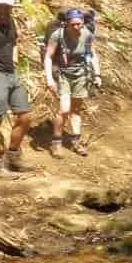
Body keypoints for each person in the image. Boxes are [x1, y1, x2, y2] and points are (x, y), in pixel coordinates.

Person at [0, 0, 34, 173]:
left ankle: (13, 155)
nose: (4, 9)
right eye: (0, 6)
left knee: (25, 115)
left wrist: (14, 58)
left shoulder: (12, 22)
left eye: (7, 6)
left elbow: (15, 42)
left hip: (11, 72)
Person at [43, 8, 101, 158]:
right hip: (62, 73)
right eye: (73, 24)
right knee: (64, 109)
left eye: (79, 24)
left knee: (76, 110)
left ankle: (76, 141)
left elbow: (93, 55)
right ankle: (56, 142)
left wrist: (97, 74)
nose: (76, 28)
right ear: (67, 24)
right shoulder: (58, 35)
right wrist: (49, 78)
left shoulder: (87, 34)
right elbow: (48, 56)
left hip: (81, 74)